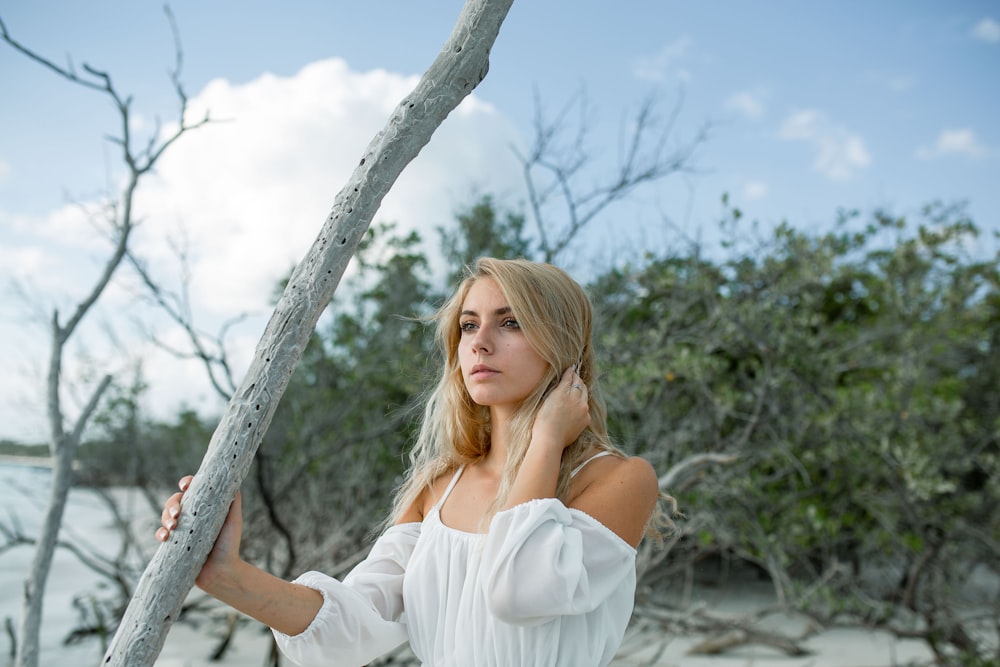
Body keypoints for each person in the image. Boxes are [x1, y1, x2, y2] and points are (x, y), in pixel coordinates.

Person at [157, 257, 671, 667]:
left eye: (510, 322)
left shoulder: (619, 480)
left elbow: (519, 592)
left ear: (562, 344)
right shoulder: (439, 487)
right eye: (468, 326)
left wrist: (544, 442)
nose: (481, 343)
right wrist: (226, 574)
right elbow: (348, 632)